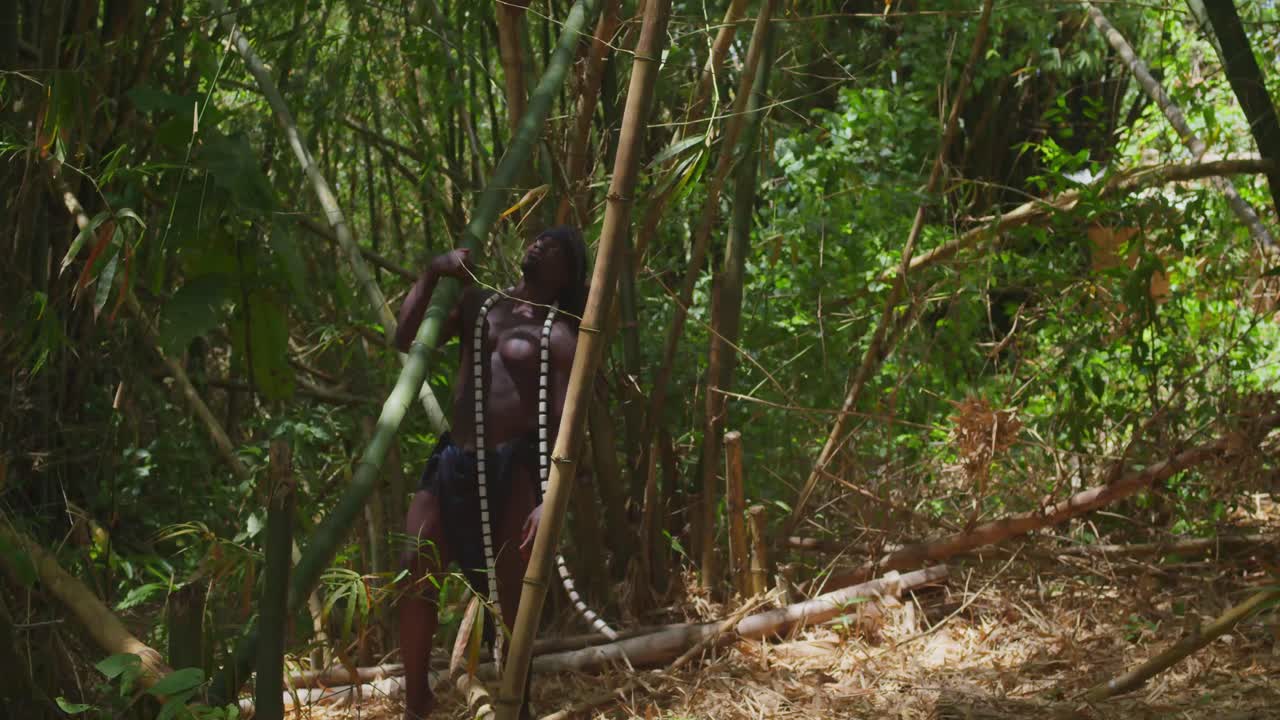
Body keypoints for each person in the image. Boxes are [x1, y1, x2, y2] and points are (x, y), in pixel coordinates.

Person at [394, 226, 588, 720]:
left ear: (567, 273)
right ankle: (415, 699)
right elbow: (405, 336)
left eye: (555, 247)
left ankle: (513, 706)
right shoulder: (479, 301)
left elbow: (569, 423)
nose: (539, 244)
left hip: (514, 469)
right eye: (538, 238)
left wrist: (551, 499)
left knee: (513, 599)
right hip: (453, 458)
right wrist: (433, 271)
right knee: (414, 566)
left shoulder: (563, 334)